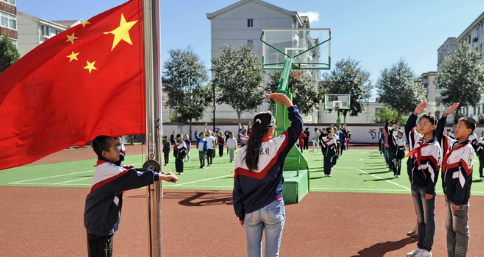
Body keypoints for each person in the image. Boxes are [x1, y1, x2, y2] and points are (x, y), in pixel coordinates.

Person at [233, 93, 302, 257]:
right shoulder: (278, 144)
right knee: (272, 254)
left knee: (252, 252)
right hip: (273, 207)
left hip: (250, 210)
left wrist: (240, 212)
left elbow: (237, 188)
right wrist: (287, 102)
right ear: (271, 129)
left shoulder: (242, 152)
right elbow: (297, 125)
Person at [84, 135, 178, 257]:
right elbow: (132, 177)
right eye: (115, 147)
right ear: (105, 153)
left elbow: (130, 170)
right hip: (99, 223)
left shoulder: (110, 167)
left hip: (103, 222)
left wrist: (160, 174)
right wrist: (161, 177)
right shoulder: (106, 170)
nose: (119, 150)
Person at [437, 103, 474, 257]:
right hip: (449, 196)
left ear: (469, 131)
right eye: (456, 125)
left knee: (460, 232)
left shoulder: (467, 149)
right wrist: (444, 116)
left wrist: (458, 200)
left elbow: (465, 177)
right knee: (449, 230)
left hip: (458, 200)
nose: (456, 128)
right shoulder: (452, 144)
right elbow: (438, 134)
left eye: (460, 126)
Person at [405, 102, 442, 257]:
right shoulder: (417, 140)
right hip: (415, 185)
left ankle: (427, 250)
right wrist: (414, 114)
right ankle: (420, 247)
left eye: (425, 123)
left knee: (428, 219)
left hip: (425, 188)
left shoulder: (435, 146)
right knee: (420, 219)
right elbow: (408, 129)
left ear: (433, 127)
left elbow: (434, 171)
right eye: (420, 123)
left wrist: (430, 189)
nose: (421, 125)